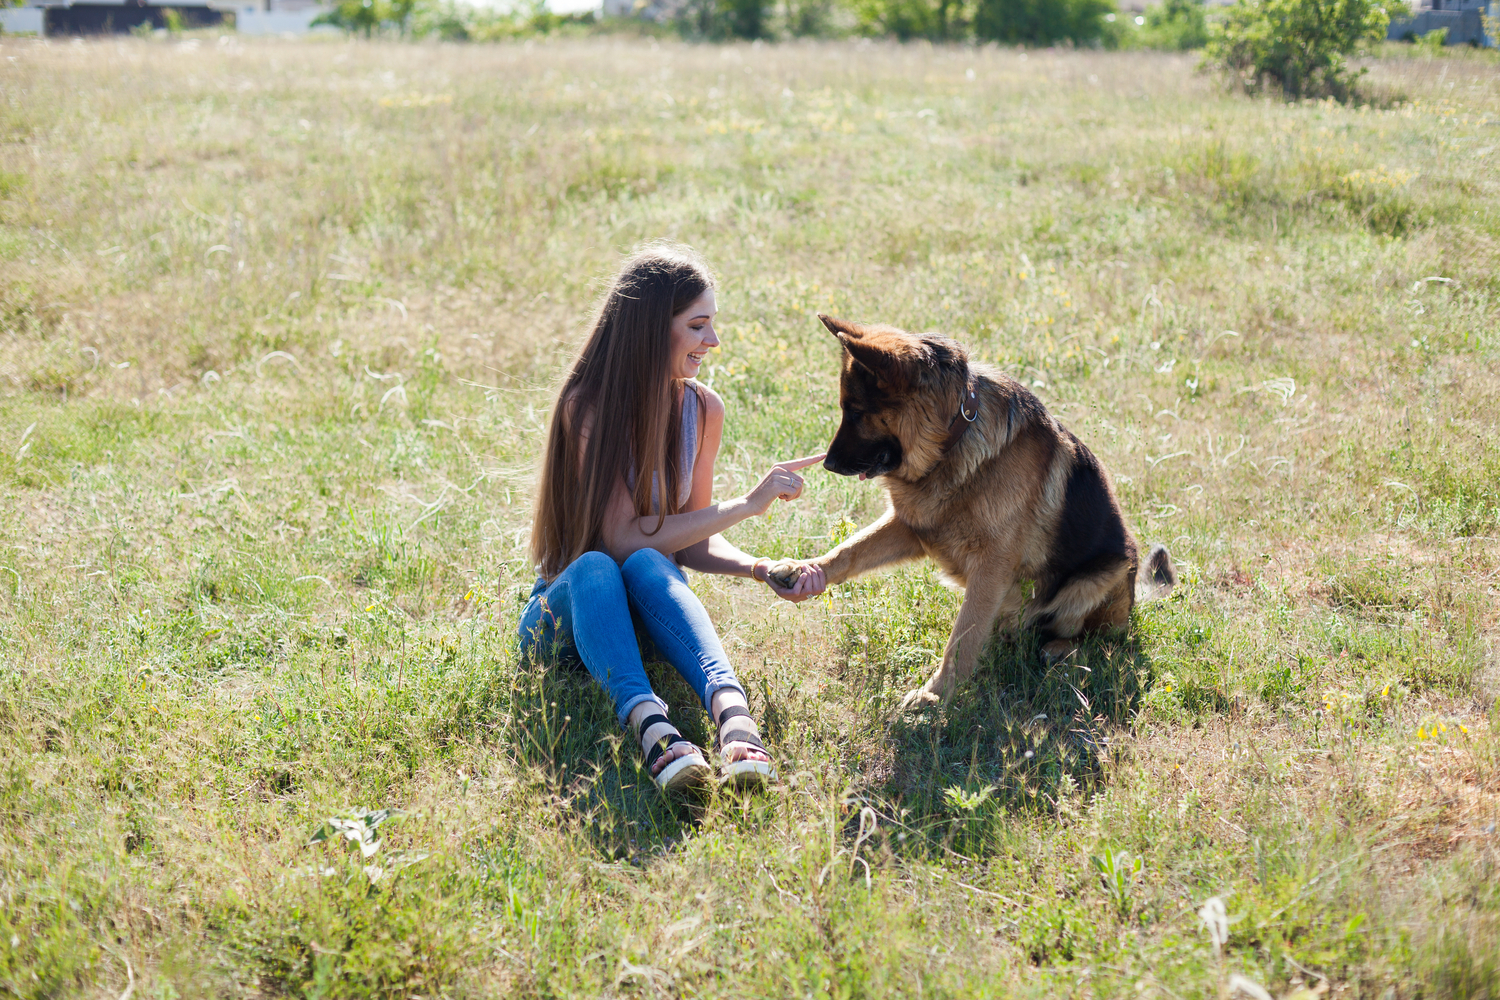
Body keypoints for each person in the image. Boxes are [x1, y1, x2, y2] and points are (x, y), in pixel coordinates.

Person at [521, 243, 828, 794]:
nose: (713, 341)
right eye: (698, 325)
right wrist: (747, 504)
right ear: (650, 329)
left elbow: (689, 547)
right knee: (599, 566)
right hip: (562, 615)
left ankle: (735, 719)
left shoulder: (702, 409)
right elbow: (616, 537)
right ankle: (653, 731)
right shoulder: (586, 408)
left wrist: (763, 567)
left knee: (648, 561)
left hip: (646, 605)